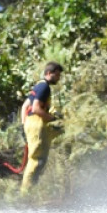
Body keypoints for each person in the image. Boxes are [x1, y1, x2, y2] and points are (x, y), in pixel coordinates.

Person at [20, 61, 64, 194]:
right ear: (49, 73)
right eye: (57, 75)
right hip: (37, 124)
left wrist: (24, 126)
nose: (58, 78)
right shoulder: (44, 87)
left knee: (36, 159)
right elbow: (36, 108)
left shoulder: (38, 86)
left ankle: (29, 191)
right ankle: (25, 194)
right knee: (37, 160)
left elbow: (24, 107)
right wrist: (52, 119)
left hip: (31, 124)